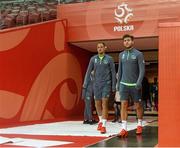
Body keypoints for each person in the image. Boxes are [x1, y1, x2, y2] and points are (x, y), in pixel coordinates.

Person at [83, 42, 116, 134]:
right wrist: (85, 84)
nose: (100, 48)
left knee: (104, 103)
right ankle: (101, 121)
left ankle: (104, 125)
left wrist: (114, 85)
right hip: (96, 85)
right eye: (98, 47)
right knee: (97, 104)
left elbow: (113, 73)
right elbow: (88, 71)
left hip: (106, 84)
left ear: (105, 48)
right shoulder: (93, 59)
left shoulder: (109, 59)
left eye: (101, 47)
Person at [116, 34, 145, 137]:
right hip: (123, 84)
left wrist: (139, 82)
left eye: (128, 40)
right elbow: (120, 70)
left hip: (135, 85)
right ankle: (124, 128)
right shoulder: (121, 55)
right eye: (125, 41)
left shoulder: (139, 54)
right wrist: (118, 83)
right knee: (123, 105)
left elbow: (142, 70)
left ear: (133, 41)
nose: (126, 42)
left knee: (138, 106)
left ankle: (139, 124)